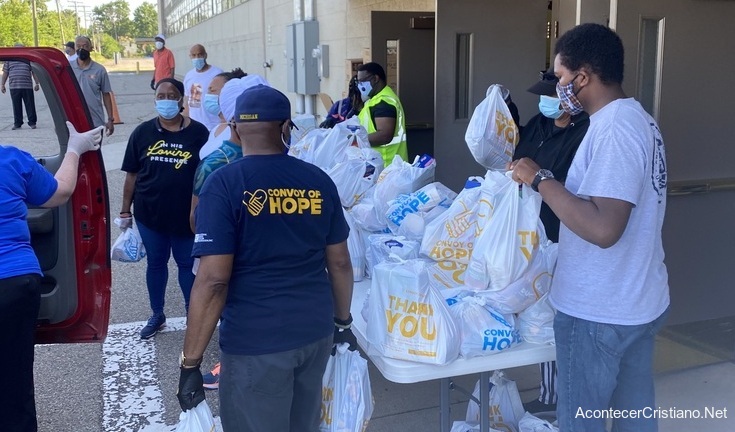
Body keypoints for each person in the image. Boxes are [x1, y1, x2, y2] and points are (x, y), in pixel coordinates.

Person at [511, 23, 669, 432]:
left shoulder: (615, 128)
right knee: (635, 419)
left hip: (599, 312)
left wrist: (539, 178)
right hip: (634, 301)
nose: (558, 88)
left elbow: (604, 228)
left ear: (582, 77)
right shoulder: (639, 120)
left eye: (561, 78)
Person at [176, 84, 357, 432]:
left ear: (235, 127)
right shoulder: (318, 181)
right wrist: (343, 322)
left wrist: (191, 362)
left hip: (255, 341)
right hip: (314, 332)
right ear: (285, 127)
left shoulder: (224, 184)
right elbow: (340, 263)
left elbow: (214, 280)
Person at [0, 122, 104, 432]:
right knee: (14, 378)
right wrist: (74, 148)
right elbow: (61, 192)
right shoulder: (12, 160)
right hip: (16, 283)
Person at [512, 68, 589, 414]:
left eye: (551, 94)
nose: (544, 101)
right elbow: (516, 154)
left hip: (562, 232)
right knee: (542, 313)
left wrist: (538, 178)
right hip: (529, 230)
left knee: (557, 314)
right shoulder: (539, 124)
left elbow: (575, 185)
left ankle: (563, 398)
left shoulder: (586, 133)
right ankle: (550, 395)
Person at [189, 73, 270, 390]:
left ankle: (236, 366)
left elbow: (195, 221)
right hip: (246, 257)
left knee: (234, 312)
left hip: (228, 255)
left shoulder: (215, 163)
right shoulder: (216, 159)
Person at [120, 78, 209, 339]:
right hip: (150, 215)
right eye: (161, 95)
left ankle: (193, 314)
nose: (166, 100)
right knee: (156, 265)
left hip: (187, 217)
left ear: (181, 100)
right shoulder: (142, 132)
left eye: (172, 95)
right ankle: (157, 314)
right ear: (155, 99)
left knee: (186, 265)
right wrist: (125, 210)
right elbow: (132, 175)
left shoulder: (199, 133)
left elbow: (209, 173)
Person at [356, 62, 407, 166]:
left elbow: (384, 135)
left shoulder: (383, 102)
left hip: (386, 164)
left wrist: (356, 140)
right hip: (379, 164)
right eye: (358, 82)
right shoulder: (374, 100)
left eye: (363, 81)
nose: (360, 85)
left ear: (375, 78)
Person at [196, 68, 249, 159]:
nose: (207, 96)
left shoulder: (238, 130)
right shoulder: (216, 129)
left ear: (228, 94)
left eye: (212, 91)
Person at [70, 36, 115, 136]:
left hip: (95, 122)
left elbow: (106, 95)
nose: (82, 49)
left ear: (91, 48)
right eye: (78, 46)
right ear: (75, 48)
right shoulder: (68, 68)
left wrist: (110, 119)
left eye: (85, 46)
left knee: (95, 151)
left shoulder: (99, 70)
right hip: (74, 122)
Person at [183, 44, 223, 130]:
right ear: (190, 56)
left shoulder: (217, 73)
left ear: (205, 55)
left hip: (213, 125)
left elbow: (223, 99)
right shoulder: (189, 76)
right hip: (195, 126)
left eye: (200, 54)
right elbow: (188, 101)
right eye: (194, 55)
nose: (197, 58)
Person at [2, 45, 40, 130]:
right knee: (16, 105)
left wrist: (37, 83)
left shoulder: (27, 60)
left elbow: (34, 72)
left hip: (27, 86)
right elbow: (5, 73)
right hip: (14, 87)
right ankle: (17, 123)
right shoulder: (9, 60)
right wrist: (2, 85)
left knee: (30, 105)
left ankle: (32, 122)